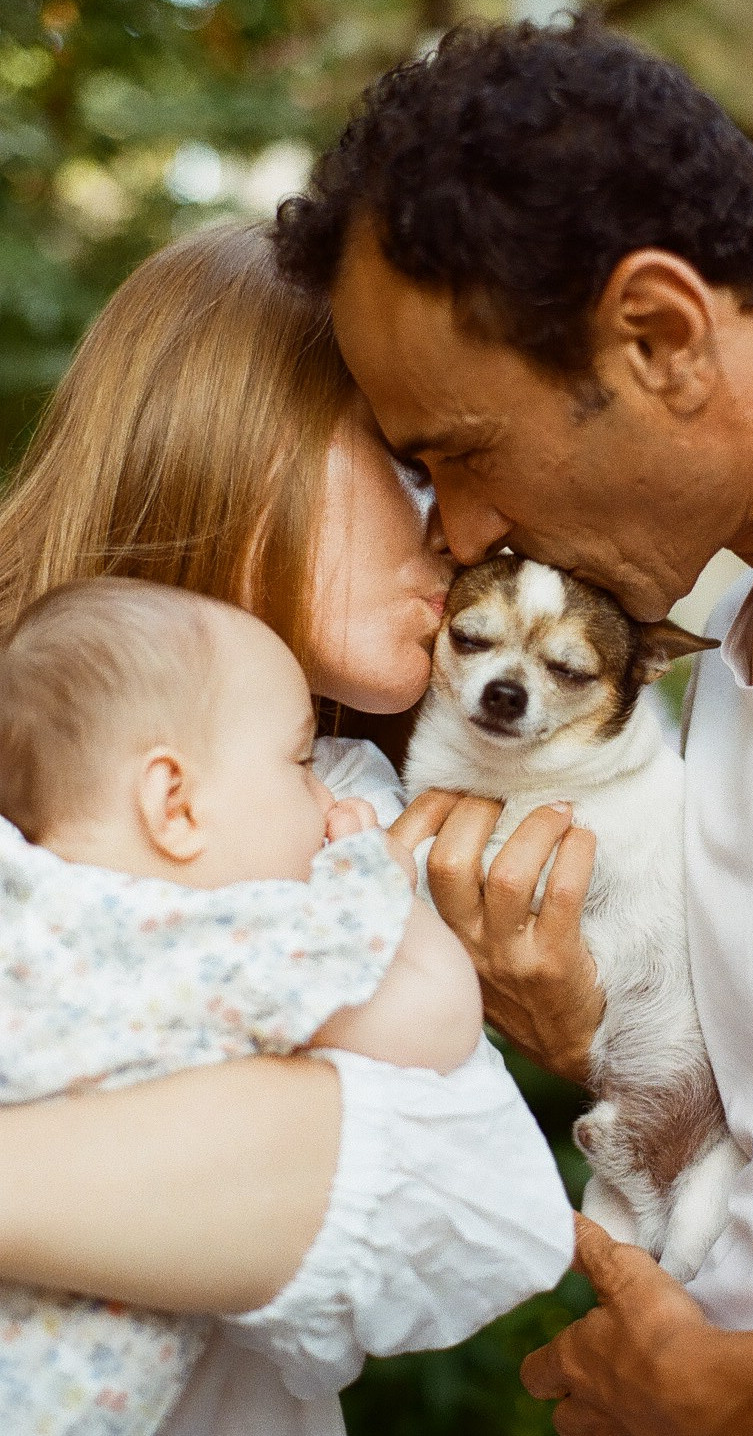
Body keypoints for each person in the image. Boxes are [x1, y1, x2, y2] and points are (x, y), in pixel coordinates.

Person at [268, 16, 753, 1433]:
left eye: (462, 454)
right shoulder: (711, 654)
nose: (466, 538)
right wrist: (591, 1030)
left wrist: (742, 1395)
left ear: (661, 335)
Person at [0, 223, 585, 1436]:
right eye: (413, 462)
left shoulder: (334, 800)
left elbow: (468, 1210)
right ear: (243, 433)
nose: (469, 532)